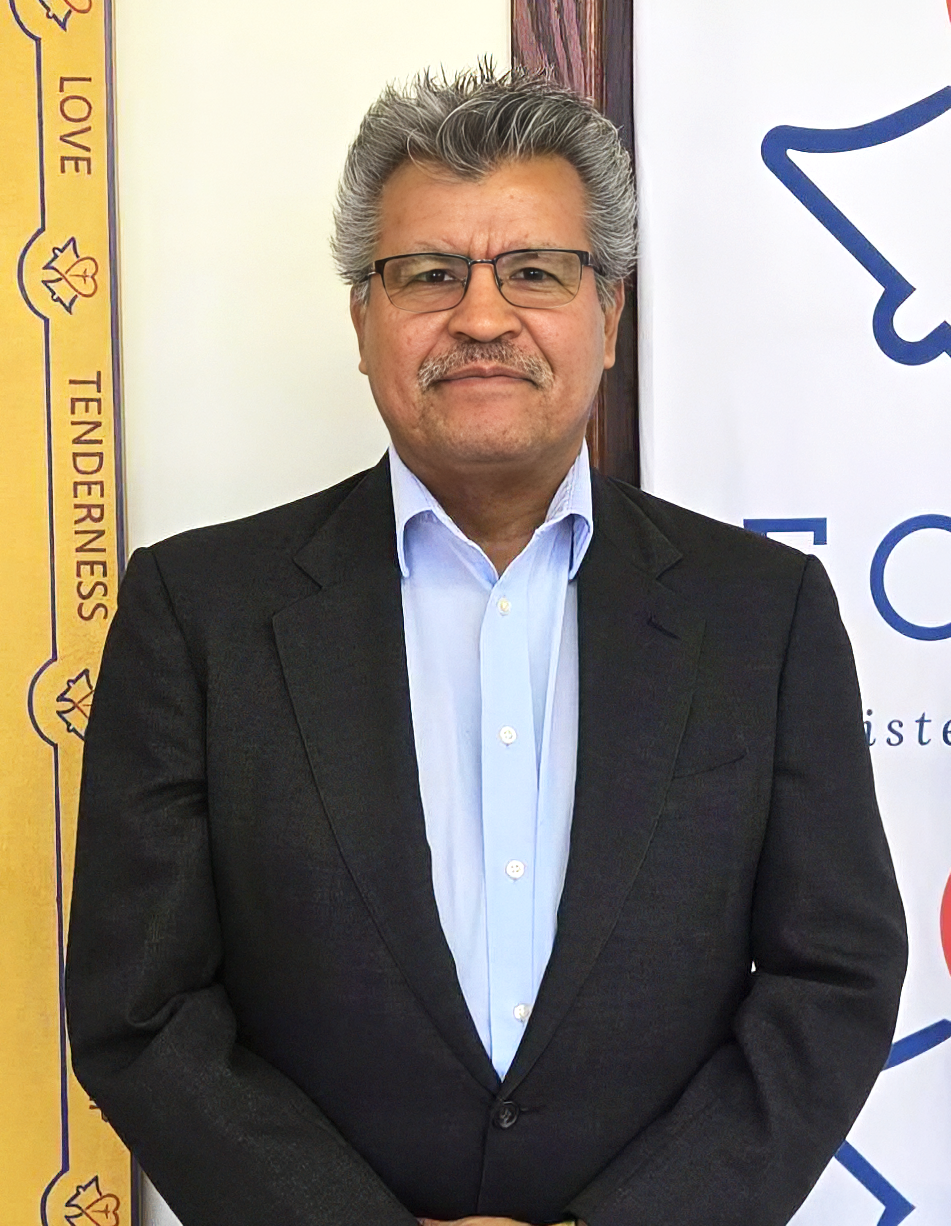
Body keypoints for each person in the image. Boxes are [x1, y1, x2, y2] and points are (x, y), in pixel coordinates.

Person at [65, 66, 907, 1226]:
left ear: (608, 317)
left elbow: (834, 979)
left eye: (534, 271)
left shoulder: (764, 616)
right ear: (363, 322)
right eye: (428, 274)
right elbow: (139, 1006)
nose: (481, 315)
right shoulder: (196, 610)